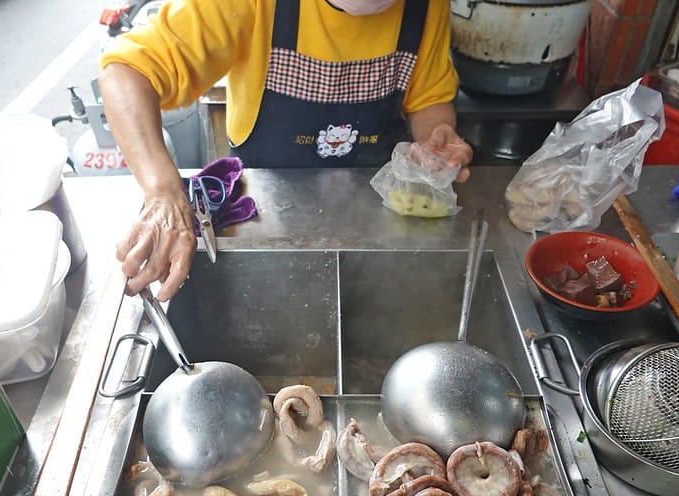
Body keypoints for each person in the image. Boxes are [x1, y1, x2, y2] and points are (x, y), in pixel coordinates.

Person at [99, 0, 473, 301]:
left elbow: (429, 97)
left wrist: (435, 138)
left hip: (375, 223)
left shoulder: (428, 6)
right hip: (265, 220)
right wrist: (163, 193)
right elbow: (126, 72)